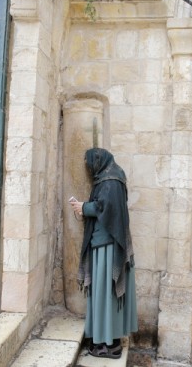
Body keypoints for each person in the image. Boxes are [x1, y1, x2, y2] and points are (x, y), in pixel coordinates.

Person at [69, 147, 138, 359]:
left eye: (90, 164)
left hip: (108, 247)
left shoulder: (111, 181)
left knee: (107, 295)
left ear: (99, 162)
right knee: (104, 295)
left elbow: (105, 209)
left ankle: (109, 345)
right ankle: (106, 340)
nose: (89, 168)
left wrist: (84, 207)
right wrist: (83, 208)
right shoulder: (109, 178)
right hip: (103, 245)